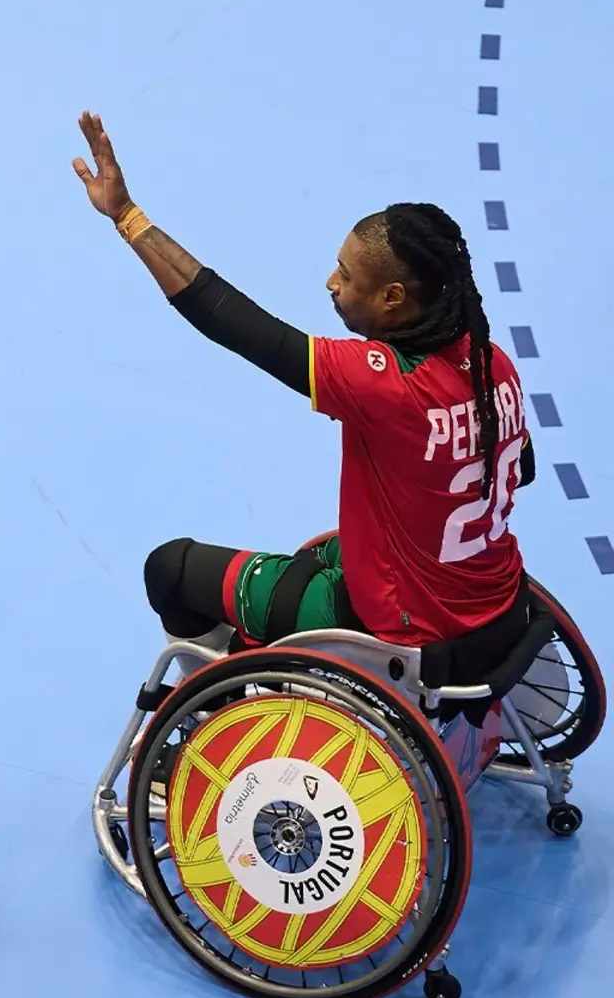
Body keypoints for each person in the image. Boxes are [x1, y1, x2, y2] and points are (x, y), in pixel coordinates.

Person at [72, 110, 536, 665]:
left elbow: (230, 320)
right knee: (322, 551)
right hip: (495, 601)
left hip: (403, 623)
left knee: (170, 569)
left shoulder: (383, 382)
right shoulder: (491, 364)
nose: (331, 283)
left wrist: (126, 216)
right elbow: (520, 469)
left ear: (392, 297)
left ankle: (227, 688)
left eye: (346, 276)